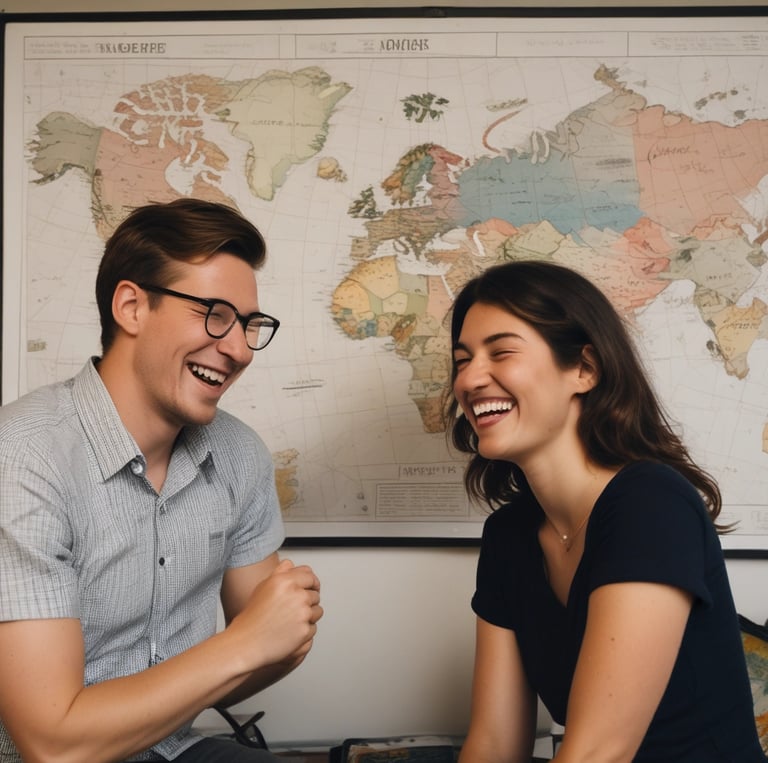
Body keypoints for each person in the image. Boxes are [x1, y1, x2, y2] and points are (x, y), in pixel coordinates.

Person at [0, 198, 323, 763]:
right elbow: (49, 742)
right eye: (215, 313)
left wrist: (277, 634)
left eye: (249, 324)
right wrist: (247, 643)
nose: (240, 348)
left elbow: (264, 655)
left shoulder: (240, 454)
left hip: (176, 748)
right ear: (131, 306)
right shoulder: (23, 456)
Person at [447, 260, 765, 762]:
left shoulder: (653, 504)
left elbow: (599, 753)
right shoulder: (508, 535)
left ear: (584, 369)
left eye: (501, 352)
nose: (469, 379)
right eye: (462, 360)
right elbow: (493, 744)